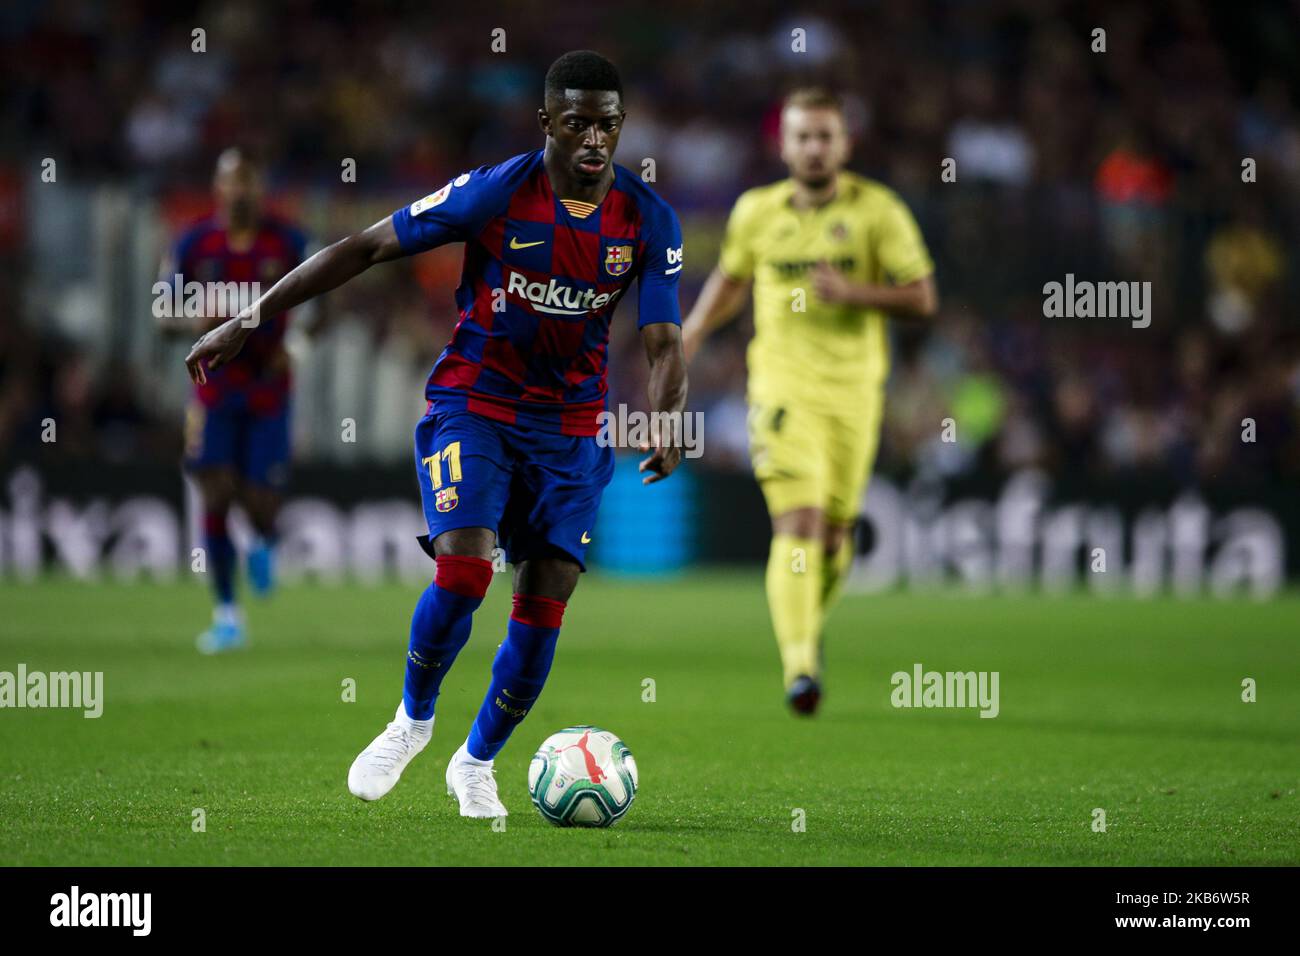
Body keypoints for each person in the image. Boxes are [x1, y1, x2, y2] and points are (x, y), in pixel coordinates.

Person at [184, 51, 687, 817]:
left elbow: (662, 338)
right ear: (548, 121)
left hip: (571, 429)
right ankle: (411, 720)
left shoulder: (648, 219)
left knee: (545, 596)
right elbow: (365, 247)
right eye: (578, 122)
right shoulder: (496, 193)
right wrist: (246, 320)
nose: (594, 139)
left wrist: (668, 411)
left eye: (608, 125)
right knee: (464, 572)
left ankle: (476, 760)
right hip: (474, 404)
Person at [682, 88, 937, 715]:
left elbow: (922, 297)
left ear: (845, 144)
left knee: (833, 537)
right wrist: (688, 333)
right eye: (803, 136)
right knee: (797, 524)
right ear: (784, 144)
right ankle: (800, 667)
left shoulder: (880, 212)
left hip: (855, 395)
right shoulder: (756, 212)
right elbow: (732, 280)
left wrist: (854, 291)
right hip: (780, 390)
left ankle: (804, 627)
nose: (815, 148)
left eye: (826, 136)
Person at [160, 147, 307, 654]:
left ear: (259, 186)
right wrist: (192, 321)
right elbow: (163, 316)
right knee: (216, 492)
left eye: (248, 180)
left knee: (259, 502)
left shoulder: (287, 241)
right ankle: (227, 613)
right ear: (218, 187)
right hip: (213, 387)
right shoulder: (194, 243)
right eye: (231, 181)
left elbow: (322, 304)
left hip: (268, 386)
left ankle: (265, 538)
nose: (240, 190)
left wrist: (298, 342)